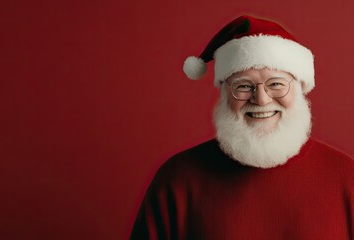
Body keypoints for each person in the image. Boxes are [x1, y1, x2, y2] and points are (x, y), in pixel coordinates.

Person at [130, 15, 354, 239]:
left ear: (299, 89)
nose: (262, 99)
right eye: (244, 86)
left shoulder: (347, 176)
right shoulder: (178, 178)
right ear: (224, 94)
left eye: (276, 83)